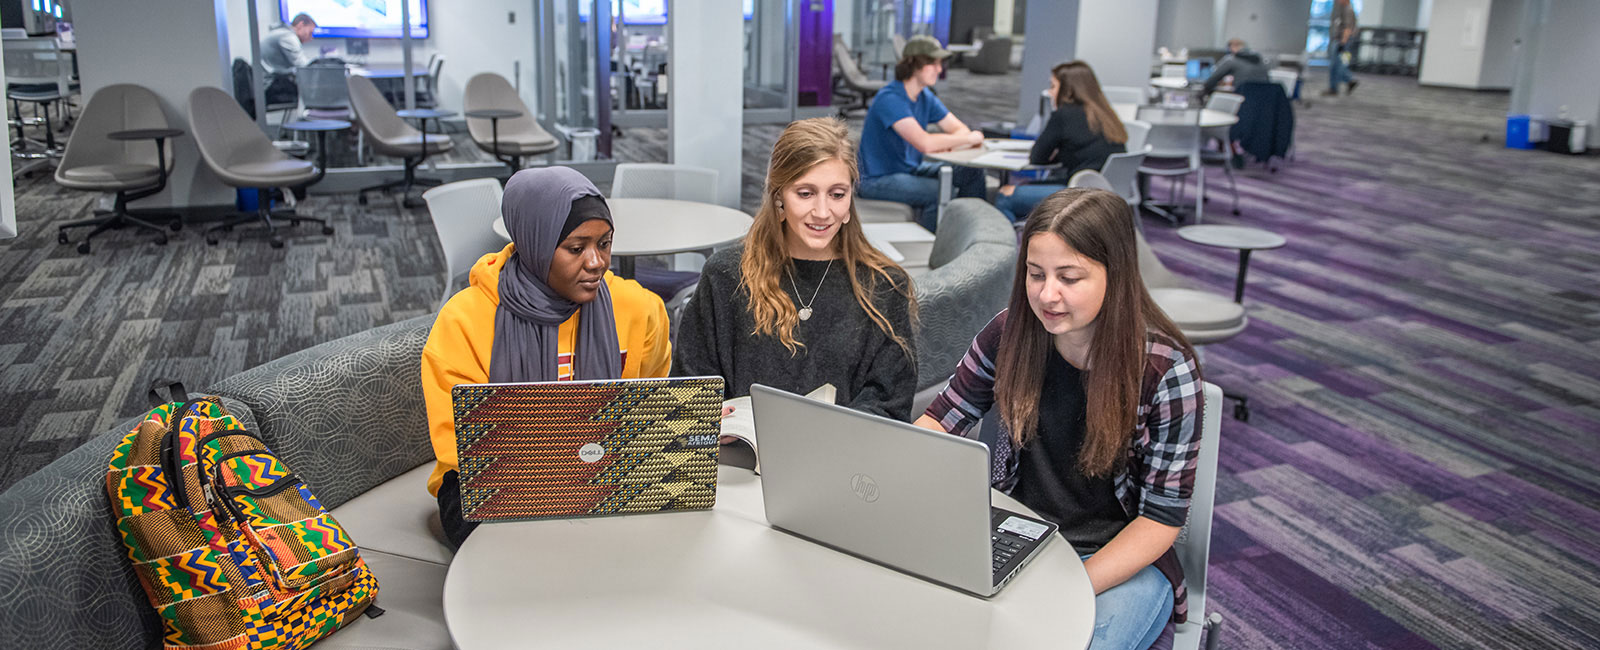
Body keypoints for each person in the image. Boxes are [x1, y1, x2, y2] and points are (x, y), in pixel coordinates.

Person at [914, 188, 1203, 650]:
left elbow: (1160, 521)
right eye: (1035, 274)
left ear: (1117, 275)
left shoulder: (1165, 368)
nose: (1047, 295)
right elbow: (940, 420)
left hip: (1115, 559)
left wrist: (1067, 586)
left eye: (1069, 277)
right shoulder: (1010, 333)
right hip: (1014, 534)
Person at [421, 167, 673, 548]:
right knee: (524, 548)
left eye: (604, 244)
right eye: (576, 248)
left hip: (603, 459)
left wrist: (678, 422)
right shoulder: (464, 320)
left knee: (661, 528)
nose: (596, 263)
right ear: (534, 243)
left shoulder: (639, 308)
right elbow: (459, 446)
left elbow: (653, 403)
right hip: (488, 477)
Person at [674, 117, 918, 421]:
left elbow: (891, 403)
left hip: (844, 459)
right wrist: (708, 416)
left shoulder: (883, 286)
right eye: (805, 193)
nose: (822, 212)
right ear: (779, 197)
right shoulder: (726, 275)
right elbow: (690, 387)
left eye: (837, 194)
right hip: (740, 460)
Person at [857, 35, 987, 231]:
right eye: (933, 64)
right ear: (914, 64)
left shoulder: (925, 96)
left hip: (909, 168)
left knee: (971, 172)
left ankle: (971, 231)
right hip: (877, 179)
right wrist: (967, 139)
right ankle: (935, 247)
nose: (939, 69)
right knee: (941, 190)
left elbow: (959, 129)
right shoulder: (890, 98)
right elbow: (924, 143)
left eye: (939, 64)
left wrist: (958, 139)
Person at [993, 62, 1127, 222]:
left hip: (1080, 195)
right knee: (1024, 186)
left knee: (1005, 195)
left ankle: (1013, 244)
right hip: (1106, 193)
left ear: (1068, 90)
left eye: (1053, 86)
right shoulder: (1105, 114)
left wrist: (1056, 152)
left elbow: (1037, 158)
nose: (1050, 93)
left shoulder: (1063, 116)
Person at [1202, 38, 1271, 94]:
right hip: (1263, 101)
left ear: (1232, 47)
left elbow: (1211, 80)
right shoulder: (1260, 59)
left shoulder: (1232, 59)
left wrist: (1206, 91)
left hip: (1242, 99)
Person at [1325, 0, 1359, 96]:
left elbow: (1347, 28)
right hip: (1342, 41)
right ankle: (1348, 81)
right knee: (1340, 64)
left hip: (1342, 42)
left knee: (1337, 64)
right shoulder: (1344, 9)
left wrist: (1342, 43)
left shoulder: (1347, 10)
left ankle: (1335, 87)